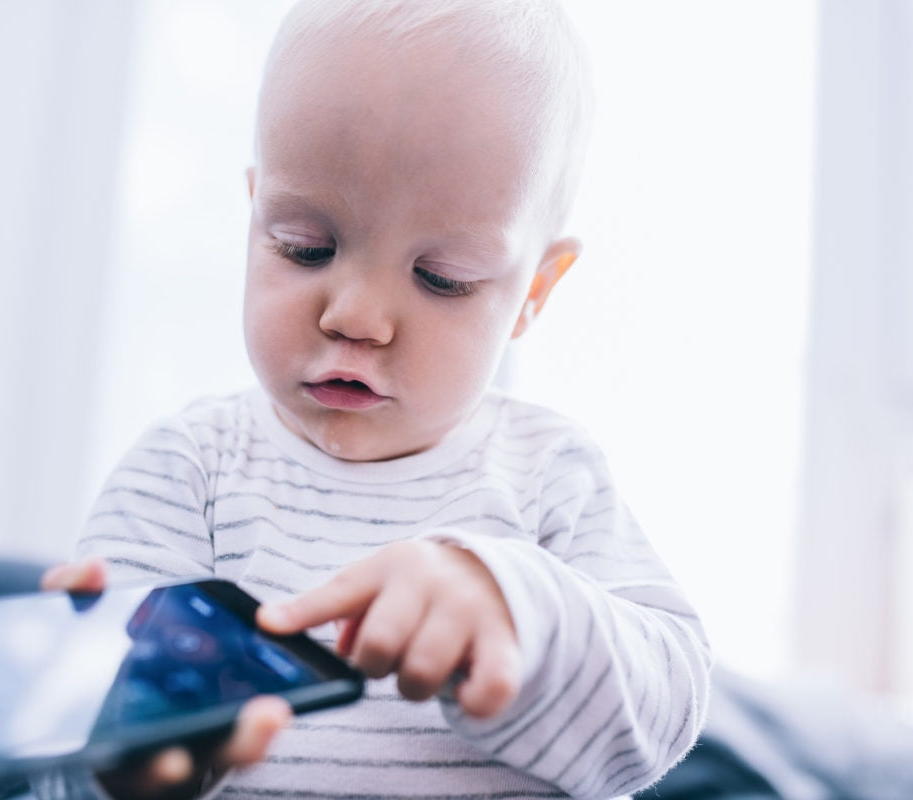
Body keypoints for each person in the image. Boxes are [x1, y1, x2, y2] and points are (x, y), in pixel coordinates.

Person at [40, 0, 711, 797]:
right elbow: (78, 751)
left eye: (443, 278)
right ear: (255, 214)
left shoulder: (547, 473)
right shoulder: (191, 469)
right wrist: (112, 751)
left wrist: (519, 608)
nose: (354, 315)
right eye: (304, 247)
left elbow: (665, 711)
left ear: (533, 292)